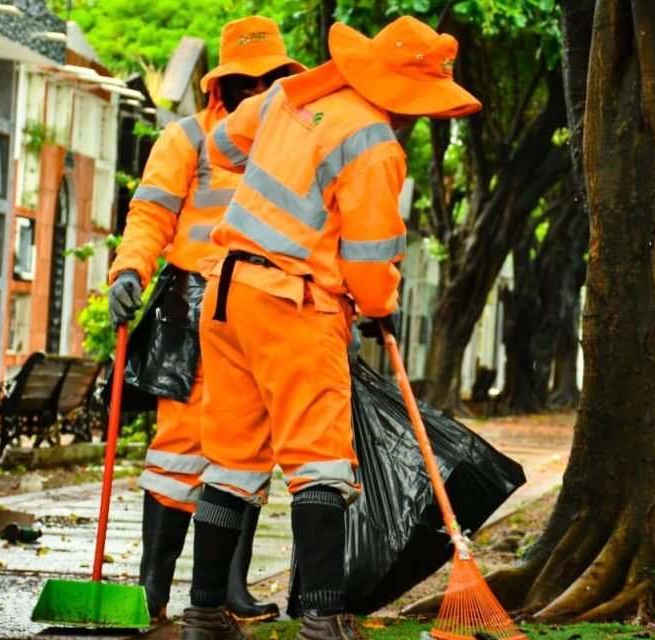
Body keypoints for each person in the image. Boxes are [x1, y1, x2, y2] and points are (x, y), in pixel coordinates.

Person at [179, 16, 481, 640]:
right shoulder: (374, 145)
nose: (421, 120)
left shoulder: (297, 97)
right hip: (292, 305)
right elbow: (370, 264)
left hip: (226, 294)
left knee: (231, 463)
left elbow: (223, 148)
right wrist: (381, 308)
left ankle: (204, 612)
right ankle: (322, 619)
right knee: (320, 463)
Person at [105, 16, 306, 622]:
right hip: (194, 305)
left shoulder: (294, 144)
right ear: (224, 86)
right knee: (179, 448)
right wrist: (128, 272)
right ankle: (153, 588)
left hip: (267, 307)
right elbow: (149, 215)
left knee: (251, 448)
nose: (261, 90)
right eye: (249, 80)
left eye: (271, 79)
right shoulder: (187, 138)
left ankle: (226, 589)